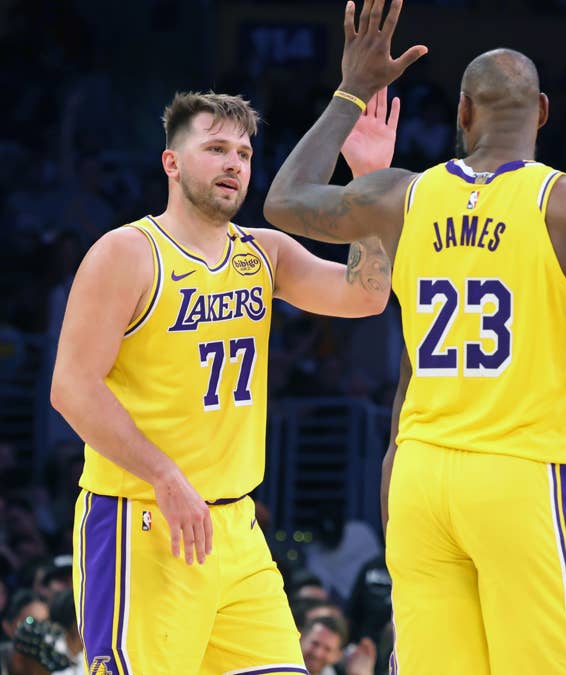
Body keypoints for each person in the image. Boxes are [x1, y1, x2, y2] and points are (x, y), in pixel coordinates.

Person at [263, 1, 566, 672]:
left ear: (463, 113)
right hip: (522, 479)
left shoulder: (401, 197)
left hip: (420, 480)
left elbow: (284, 199)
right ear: (542, 112)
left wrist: (353, 90)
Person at [48, 91, 396, 674]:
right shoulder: (128, 253)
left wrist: (369, 182)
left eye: (244, 153)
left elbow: (366, 295)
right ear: (172, 162)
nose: (234, 163)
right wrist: (164, 474)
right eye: (216, 149)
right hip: (143, 522)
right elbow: (71, 388)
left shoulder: (264, 253)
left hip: (236, 528)